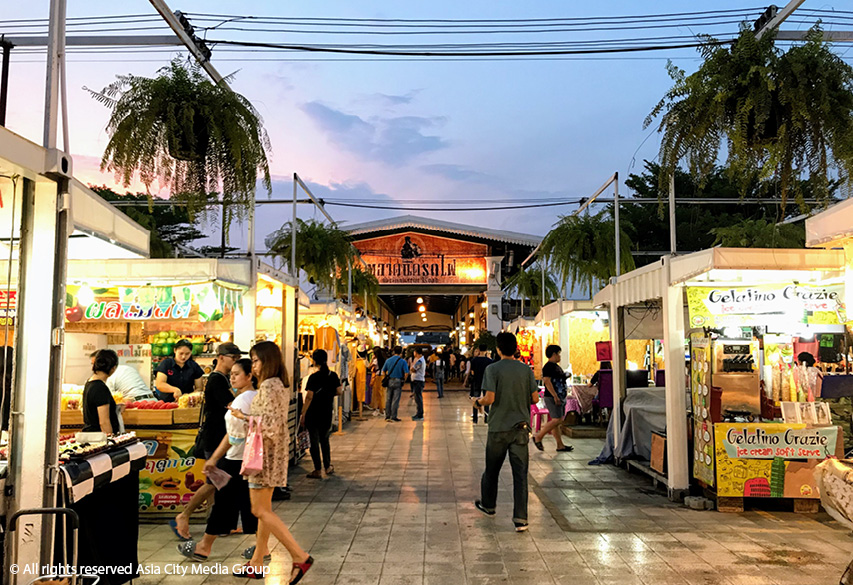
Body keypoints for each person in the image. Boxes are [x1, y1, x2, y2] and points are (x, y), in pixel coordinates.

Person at [235, 341, 313, 582]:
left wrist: (243, 416)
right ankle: (257, 562)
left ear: (267, 361)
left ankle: (299, 556)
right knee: (265, 511)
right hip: (273, 453)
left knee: (258, 509)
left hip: (263, 455)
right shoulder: (278, 384)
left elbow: (266, 425)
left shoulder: (268, 386)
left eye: (256, 361)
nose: (254, 366)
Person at [176, 358, 258, 562]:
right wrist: (215, 457)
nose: (232, 377)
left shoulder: (242, 401)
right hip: (242, 459)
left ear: (250, 376)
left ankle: (204, 547)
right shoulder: (251, 397)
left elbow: (234, 436)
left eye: (237, 374)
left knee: (228, 504)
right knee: (247, 506)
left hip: (237, 459)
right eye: (232, 373)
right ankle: (261, 548)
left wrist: (215, 458)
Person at [172, 343, 244, 541]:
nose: (235, 364)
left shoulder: (220, 379)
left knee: (218, 484)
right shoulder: (216, 380)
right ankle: (184, 515)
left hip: (220, 439)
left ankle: (220, 525)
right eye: (233, 358)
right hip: (214, 439)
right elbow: (231, 407)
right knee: (214, 483)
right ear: (221, 357)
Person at [472, 332, 539, 532]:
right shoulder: (525, 370)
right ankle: (521, 519)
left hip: (498, 428)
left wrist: (477, 402)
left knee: (492, 470)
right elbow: (535, 399)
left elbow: (489, 398)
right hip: (520, 428)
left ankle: (489, 505)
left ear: (498, 349)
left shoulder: (492, 369)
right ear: (516, 348)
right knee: (520, 475)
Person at [301, 349, 341, 479]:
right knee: (325, 439)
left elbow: (309, 397)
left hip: (313, 412)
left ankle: (317, 469)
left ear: (314, 361)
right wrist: (328, 395)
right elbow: (339, 391)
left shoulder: (313, 377)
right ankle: (328, 467)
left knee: (314, 440)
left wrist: (303, 413)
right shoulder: (333, 375)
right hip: (326, 411)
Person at [532, 345, 573, 452]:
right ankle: (538, 436)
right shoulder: (548, 367)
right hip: (552, 397)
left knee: (557, 421)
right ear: (554, 354)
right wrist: (555, 396)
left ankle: (560, 445)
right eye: (558, 354)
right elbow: (547, 381)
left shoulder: (555, 366)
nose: (559, 356)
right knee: (557, 420)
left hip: (558, 396)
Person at [83, 349, 121, 434]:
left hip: (90, 434)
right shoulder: (100, 388)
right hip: (98, 438)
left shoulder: (89, 383)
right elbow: (104, 422)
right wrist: (110, 442)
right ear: (113, 368)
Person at [382, 346, 409, 422]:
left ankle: (387, 416)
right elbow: (406, 373)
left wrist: (385, 378)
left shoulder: (388, 360)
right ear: (401, 352)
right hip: (398, 380)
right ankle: (394, 416)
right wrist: (404, 380)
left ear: (393, 351)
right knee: (395, 399)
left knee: (388, 399)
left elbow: (383, 371)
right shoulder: (403, 361)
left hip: (390, 380)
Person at [468, 345, 493, 424]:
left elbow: (472, 372)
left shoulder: (474, 360)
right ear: (486, 350)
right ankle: (487, 417)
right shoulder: (489, 361)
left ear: (479, 350)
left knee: (476, 399)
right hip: (486, 382)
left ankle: (475, 418)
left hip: (476, 381)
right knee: (486, 400)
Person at [369, 348, 387, 416]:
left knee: (376, 393)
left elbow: (369, 367)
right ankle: (382, 409)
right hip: (383, 376)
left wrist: (372, 359)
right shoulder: (384, 360)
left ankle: (378, 409)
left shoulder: (375, 360)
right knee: (382, 393)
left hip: (378, 377)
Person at [410, 347, 426, 421]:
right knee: (417, 397)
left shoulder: (420, 361)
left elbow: (413, 369)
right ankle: (419, 413)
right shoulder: (420, 360)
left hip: (418, 380)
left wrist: (412, 367)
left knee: (418, 398)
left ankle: (420, 414)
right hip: (417, 380)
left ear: (416, 352)